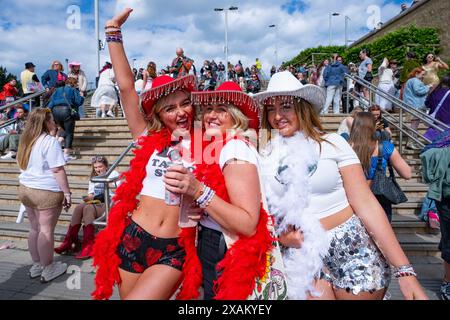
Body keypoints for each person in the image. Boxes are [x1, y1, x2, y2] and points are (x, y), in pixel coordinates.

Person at [254, 71, 427, 300]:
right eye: (271, 109)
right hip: (303, 256)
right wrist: (281, 237)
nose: (277, 116)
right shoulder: (265, 155)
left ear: (303, 107)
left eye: (285, 106)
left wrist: (404, 271)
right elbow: (264, 214)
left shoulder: (333, 144)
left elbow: (366, 203)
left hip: (354, 249)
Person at [91, 8, 197, 300]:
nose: (180, 112)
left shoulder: (209, 145)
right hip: (132, 237)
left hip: (174, 248)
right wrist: (113, 33)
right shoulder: (147, 138)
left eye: (185, 104)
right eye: (170, 108)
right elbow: (126, 89)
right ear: (159, 115)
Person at [166, 81, 286, 300]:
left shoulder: (235, 148)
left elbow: (248, 224)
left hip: (226, 249)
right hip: (216, 243)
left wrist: (198, 190)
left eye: (222, 110)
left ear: (236, 116)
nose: (212, 115)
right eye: (209, 109)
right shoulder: (222, 146)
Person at [17, 108, 71, 283]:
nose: (54, 122)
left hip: (26, 188)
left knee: (34, 228)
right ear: (45, 122)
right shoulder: (50, 142)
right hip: (45, 190)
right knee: (46, 230)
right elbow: (57, 169)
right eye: (52, 120)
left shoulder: (26, 140)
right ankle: (48, 267)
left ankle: (37, 264)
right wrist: (67, 192)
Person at [349, 112, 412, 222]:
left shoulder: (346, 146)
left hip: (353, 198)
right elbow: (407, 174)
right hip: (380, 196)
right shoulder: (385, 147)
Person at [55, 156, 120, 260]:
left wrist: (106, 180)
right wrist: (87, 198)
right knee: (79, 207)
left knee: (88, 209)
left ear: (106, 166)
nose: (98, 169)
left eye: (100, 167)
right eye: (96, 167)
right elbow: (91, 195)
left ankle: (88, 246)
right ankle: (69, 241)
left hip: (111, 204)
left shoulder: (113, 174)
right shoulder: (93, 178)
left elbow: (119, 192)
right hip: (97, 203)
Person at [48, 78, 84, 162]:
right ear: (73, 83)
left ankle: (54, 148)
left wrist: (48, 111)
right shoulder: (73, 90)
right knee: (69, 133)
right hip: (66, 111)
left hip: (55, 111)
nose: (77, 85)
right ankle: (66, 155)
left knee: (62, 130)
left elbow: (51, 102)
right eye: (76, 83)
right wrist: (81, 96)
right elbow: (78, 102)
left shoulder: (58, 90)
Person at [403, 67, 432, 149]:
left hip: (413, 105)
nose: (423, 76)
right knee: (414, 125)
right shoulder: (415, 80)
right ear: (416, 73)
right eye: (422, 74)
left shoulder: (411, 80)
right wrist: (428, 87)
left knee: (414, 125)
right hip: (414, 105)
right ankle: (411, 142)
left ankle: (413, 142)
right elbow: (418, 91)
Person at [424, 73, 450, 141]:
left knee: (433, 140)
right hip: (446, 122)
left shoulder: (435, 91)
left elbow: (427, 104)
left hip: (435, 120)